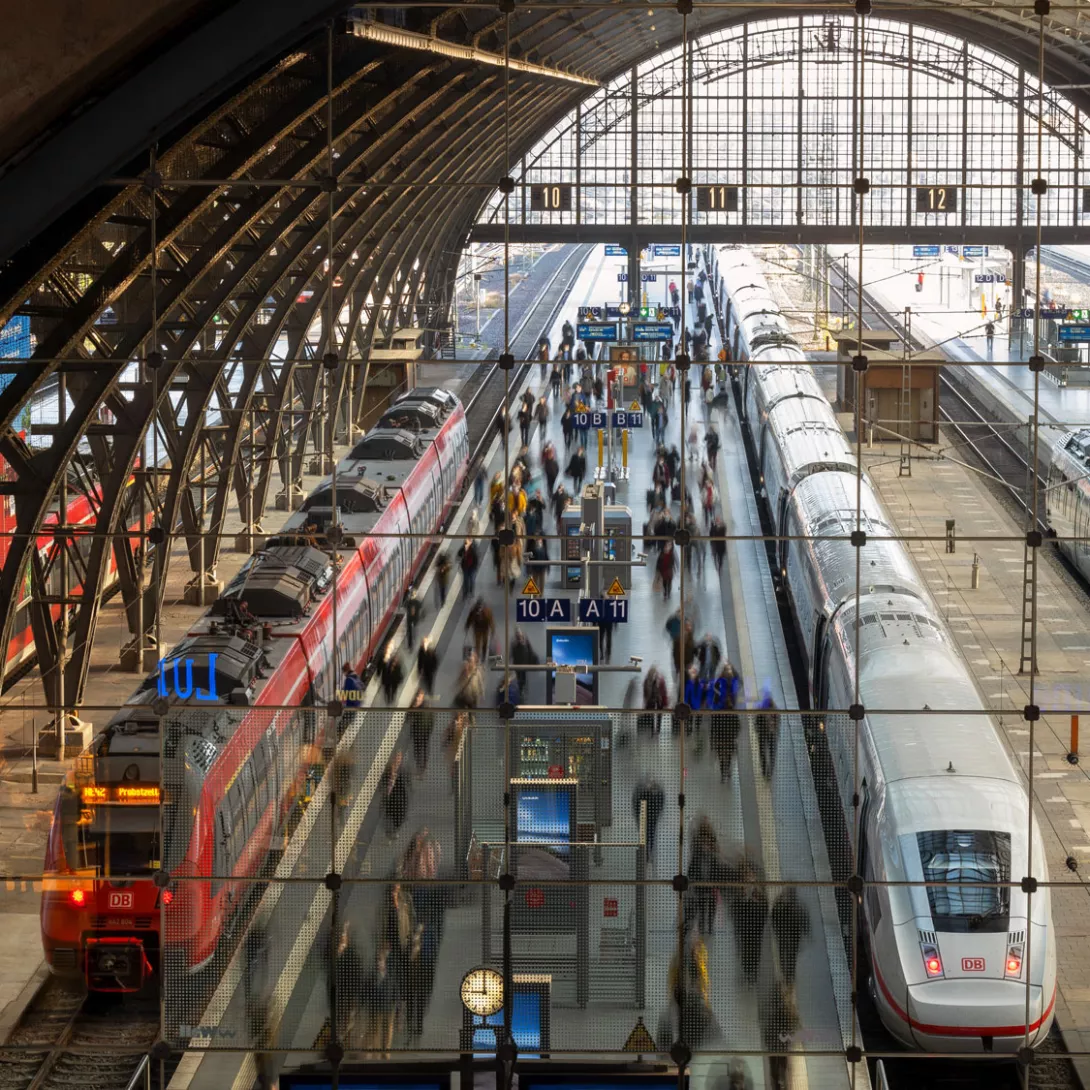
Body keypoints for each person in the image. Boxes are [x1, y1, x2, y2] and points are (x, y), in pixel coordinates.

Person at [730, 862, 769, 988]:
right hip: (743, 928)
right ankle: (748, 974)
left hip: (756, 928)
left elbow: (765, 908)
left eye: (750, 875)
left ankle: (753, 975)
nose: (749, 877)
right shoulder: (739, 891)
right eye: (746, 875)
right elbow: (734, 908)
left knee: (755, 952)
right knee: (745, 952)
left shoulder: (759, 892)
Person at [759, 979, 799, 1090]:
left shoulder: (770, 1010)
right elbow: (790, 1027)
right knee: (782, 1064)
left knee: (774, 1066)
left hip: (773, 1045)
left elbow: (766, 1027)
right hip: (782, 1045)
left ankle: (776, 1083)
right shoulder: (785, 1011)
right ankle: (782, 1082)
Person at [770, 889, 811, 986]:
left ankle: (788, 974)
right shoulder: (795, 906)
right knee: (790, 955)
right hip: (789, 936)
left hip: (786, 935)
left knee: (786, 955)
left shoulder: (784, 905)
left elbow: (775, 917)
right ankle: (789, 974)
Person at [334, 920, 364, 1046]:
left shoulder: (352, 954)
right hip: (344, 989)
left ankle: (345, 1034)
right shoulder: (348, 952)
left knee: (346, 1012)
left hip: (347, 989)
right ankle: (344, 1034)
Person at [631, 774, 665, 856]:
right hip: (644, 817)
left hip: (652, 817)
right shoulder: (642, 791)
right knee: (646, 834)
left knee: (650, 833)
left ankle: (648, 850)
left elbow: (660, 802)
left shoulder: (657, 791)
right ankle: (646, 851)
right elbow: (636, 802)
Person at [380, 751, 409, 838]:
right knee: (388, 817)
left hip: (400, 799)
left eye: (399, 757)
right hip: (388, 799)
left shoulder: (403, 771)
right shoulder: (387, 769)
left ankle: (394, 831)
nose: (397, 760)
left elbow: (407, 787)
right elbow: (382, 783)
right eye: (396, 757)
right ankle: (389, 834)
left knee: (399, 818)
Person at [754, 689, 780, 781]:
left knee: (765, 752)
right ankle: (767, 771)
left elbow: (756, 721)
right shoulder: (774, 710)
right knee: (769, 753)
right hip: (768, 734)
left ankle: (767, 771)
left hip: (766, 734)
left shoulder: (762, 709)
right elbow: (757, 721)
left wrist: (758, 729)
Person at [407, 690, 434, 776]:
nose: (417, 698)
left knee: (423, 749)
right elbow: (407, 718)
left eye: (419, 696)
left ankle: (423, 767)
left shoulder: (426, 707)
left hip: (424, 732)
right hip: (417, 732)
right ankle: (420, 768)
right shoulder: (415, 706)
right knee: (418, 750)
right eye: (417, 696)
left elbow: (431, 719)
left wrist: (429, 729)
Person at [465, 598, 494, 662]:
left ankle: (483, 656)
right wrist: (467, 626)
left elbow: (491, 621)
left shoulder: (487, 611)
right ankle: (477, 656)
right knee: (477, 644)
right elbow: (469, 618)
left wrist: (492, 630)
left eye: (480, 607)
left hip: (485, 630)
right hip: (477, 629)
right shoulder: (474, 610)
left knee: (484, 643)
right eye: (478, 607)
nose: (479, 609)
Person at [642, 665, 669, 734]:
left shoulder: (655, 680)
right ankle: (654, 731)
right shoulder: (648, 680)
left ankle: (656, 730)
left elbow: (663, 692)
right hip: (653, 700)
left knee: (657, 716)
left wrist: (664, 702)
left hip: (657, 700)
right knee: (653, 716)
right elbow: (645, 692)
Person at [404, 585, 423, 650]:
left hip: (410, 619)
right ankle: (412, 643)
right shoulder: (417, 602)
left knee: (410, 633)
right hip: (415, 619)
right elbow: (421, 606)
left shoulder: (409, 602)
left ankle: (410, 646)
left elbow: (405, 606)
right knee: (413, 631)